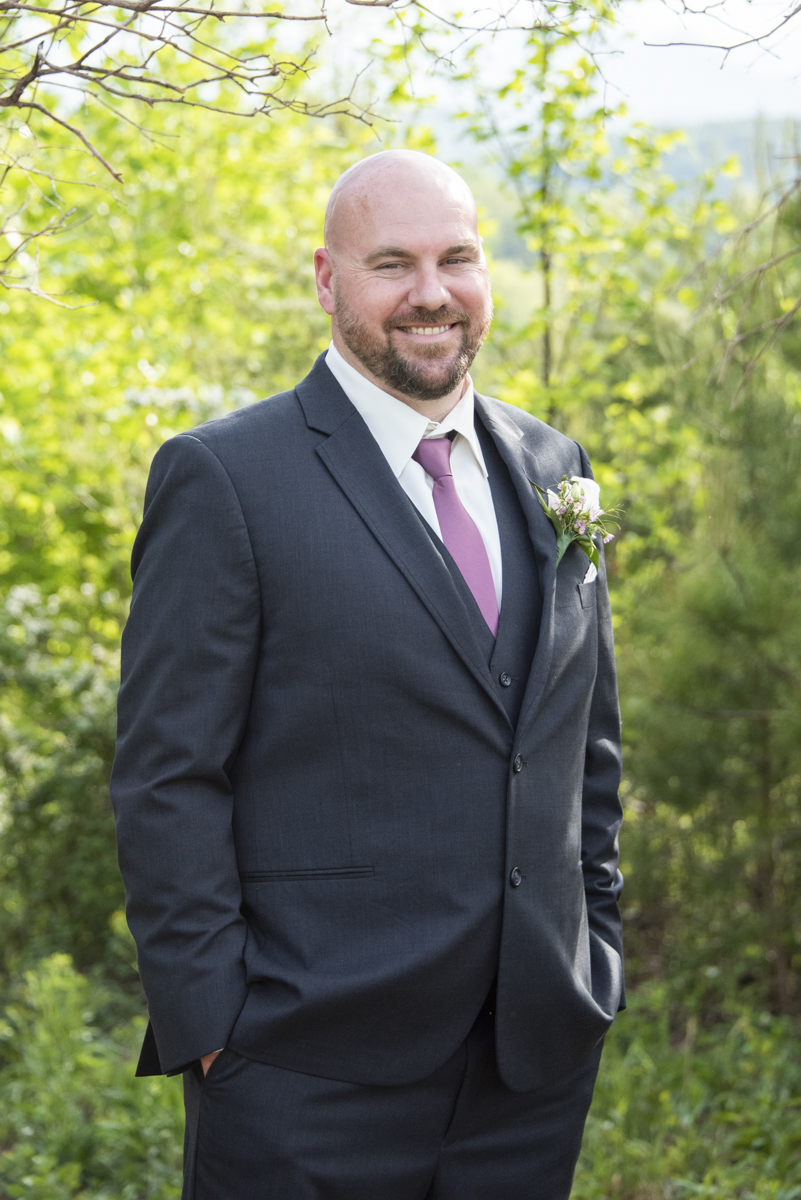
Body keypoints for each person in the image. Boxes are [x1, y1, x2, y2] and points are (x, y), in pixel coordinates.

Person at [111, 149, 624, 1200]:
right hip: (301, 1077)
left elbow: (587, 749)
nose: (432, 294)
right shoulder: (227, 479)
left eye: (457, 259)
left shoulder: (555, 469)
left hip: (527, 1078)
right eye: (393, 263)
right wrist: (216, 1028)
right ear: (326, 278)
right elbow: (166, 777)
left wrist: (596, 955)